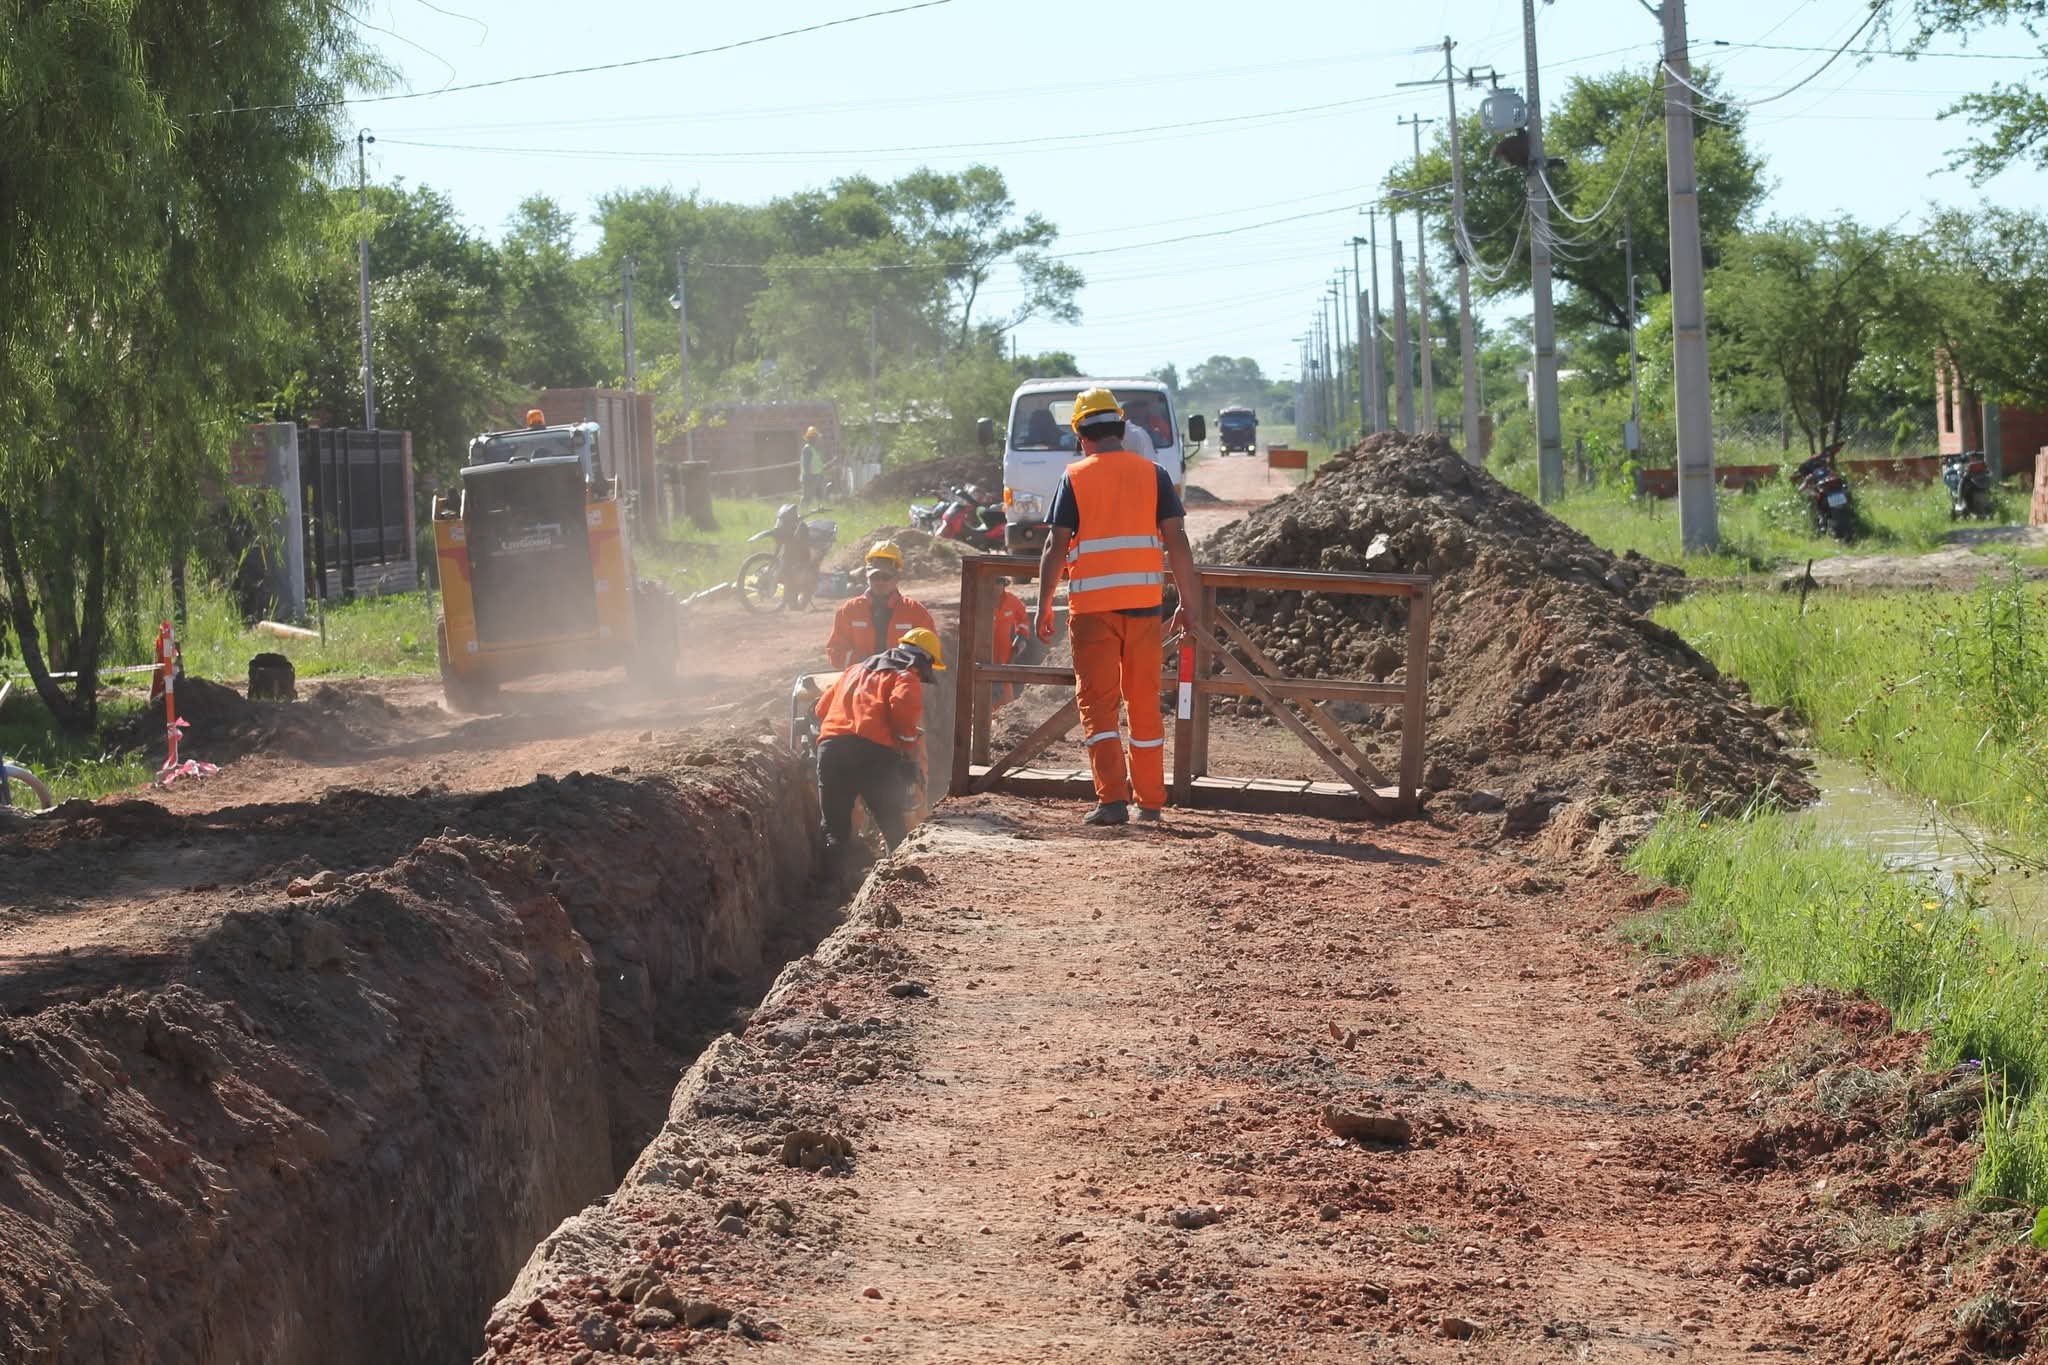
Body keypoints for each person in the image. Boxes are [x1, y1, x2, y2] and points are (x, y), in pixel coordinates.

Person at [1034, 388, 1201, 827]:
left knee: (1098, 705)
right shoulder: (1154, 475)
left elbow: (1055, 545)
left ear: (1080, 434)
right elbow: (1177, 540)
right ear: (1122, 429)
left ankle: (1112, 801)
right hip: (1144, 610)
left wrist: (1044, 604)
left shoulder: (1074, 477)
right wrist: (1188, 603)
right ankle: (1150, 802)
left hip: (1092, 611)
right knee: (1143, 703)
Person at [814, 628, 945, 856]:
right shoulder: (906, 675)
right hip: (874, 756)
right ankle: (896, 871)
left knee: (834, 830)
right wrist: (907, 751)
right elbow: (903, 710)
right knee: (892, 825)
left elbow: (821, 709)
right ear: (924, 661)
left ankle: (833, 876)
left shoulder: (853, 671)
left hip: (831, 751)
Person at [826, 541, 938, 668]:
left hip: (900, 678)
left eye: (886, 577)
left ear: (897, 577)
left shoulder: (915, 612)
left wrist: (899, 664)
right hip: (860, 677)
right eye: (875, 576)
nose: (880, 581)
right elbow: (835, 652)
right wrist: (867, 663)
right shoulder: (849, 611)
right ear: (867, 577)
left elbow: (929, 654)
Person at [989, 576, 1032, 709]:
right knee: (984, 689)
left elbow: (1023, 619)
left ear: (1004, 584)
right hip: (985, 654)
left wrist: (1022, 637)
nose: (997, 587)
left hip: (1005, 655)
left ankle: (1004, 716)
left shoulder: (1012, 601)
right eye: (994, 583)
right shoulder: (980, 601)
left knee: (1005, 691)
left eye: (1000, 583)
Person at [801, 425, 825, 503]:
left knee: (819, 497)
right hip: (810, 477)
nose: (816, 439)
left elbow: (816, 464)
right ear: (810, 439)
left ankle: (818, 508)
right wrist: (809, 477)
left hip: (817, 476)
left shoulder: (813, 449)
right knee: (807, 498)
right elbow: (806, 464)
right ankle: (803, 509)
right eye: (814, 438)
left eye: (816, 438)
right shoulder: (807, 449)